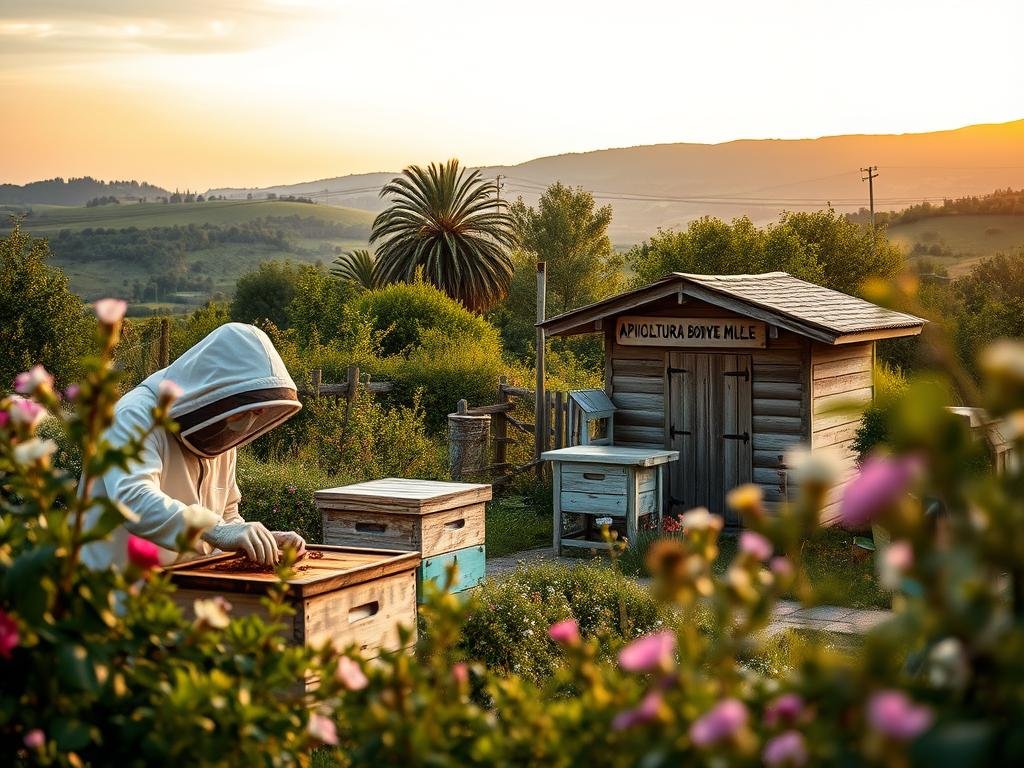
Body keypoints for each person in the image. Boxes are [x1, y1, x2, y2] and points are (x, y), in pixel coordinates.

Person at [82, 323, 306, 569]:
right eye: (248, 409)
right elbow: (134, 498)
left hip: (178, 586)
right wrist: (216, 529)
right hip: (110, 589)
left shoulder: (220, 427)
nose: (250, 420)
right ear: (217, 390)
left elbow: (227, 514)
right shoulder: (132, 415)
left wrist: (257, 540)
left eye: (258, 411)